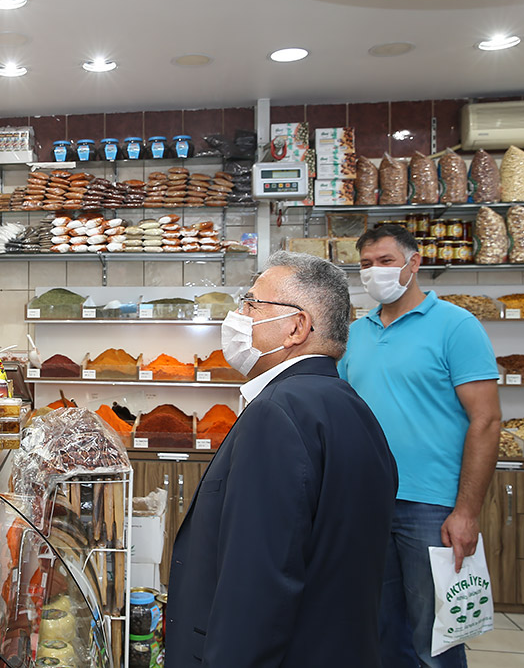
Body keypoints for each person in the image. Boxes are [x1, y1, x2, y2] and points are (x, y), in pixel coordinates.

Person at [167, 251, 398, 667]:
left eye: (252, 303)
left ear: (296, 327)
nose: (239, 316)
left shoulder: (277, 413)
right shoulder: (348, 406)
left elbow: (257, 585)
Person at [338, 225, 501, 668]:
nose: (375, 273)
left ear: (414, 263)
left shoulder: (456, 326)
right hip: (369, 502)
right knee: (380, 630)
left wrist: (466, 511)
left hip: (432, 508)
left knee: (436, 638)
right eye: (366, 265)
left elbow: (486, 421)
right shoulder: (356, 333)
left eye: (386, 262)